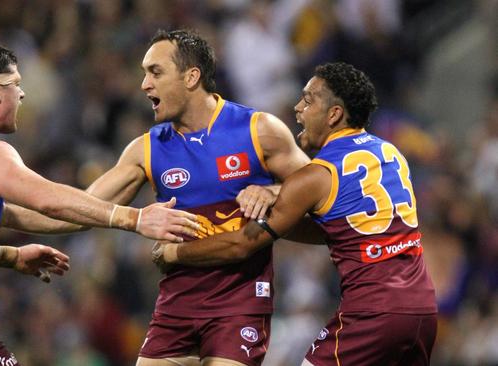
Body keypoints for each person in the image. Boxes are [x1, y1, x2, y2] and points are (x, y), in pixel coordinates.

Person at [0, 43, 200, 366]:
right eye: (17, 85)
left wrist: (12, 256)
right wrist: (135, 218)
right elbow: (49, 201)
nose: (22, 94)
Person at [153, 62, 438, 366]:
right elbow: (338, 228)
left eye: (308, 99)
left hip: (371, 314)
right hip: (422, 310)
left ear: (334, 114)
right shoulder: (391, 154)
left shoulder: (315, 176)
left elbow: (242, 244)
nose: (297, 107)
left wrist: (174, 253)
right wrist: (279, 201)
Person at [83, 29, 310, 366]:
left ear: (191, 77)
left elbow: (321, 189)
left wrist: (272, 190)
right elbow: (77, 207)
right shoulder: (147, 148)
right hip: (177, 304)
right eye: (144, 73)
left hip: (240, 303)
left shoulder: (258, 130)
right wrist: (1, 214)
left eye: (155, 72)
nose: (144, 84)